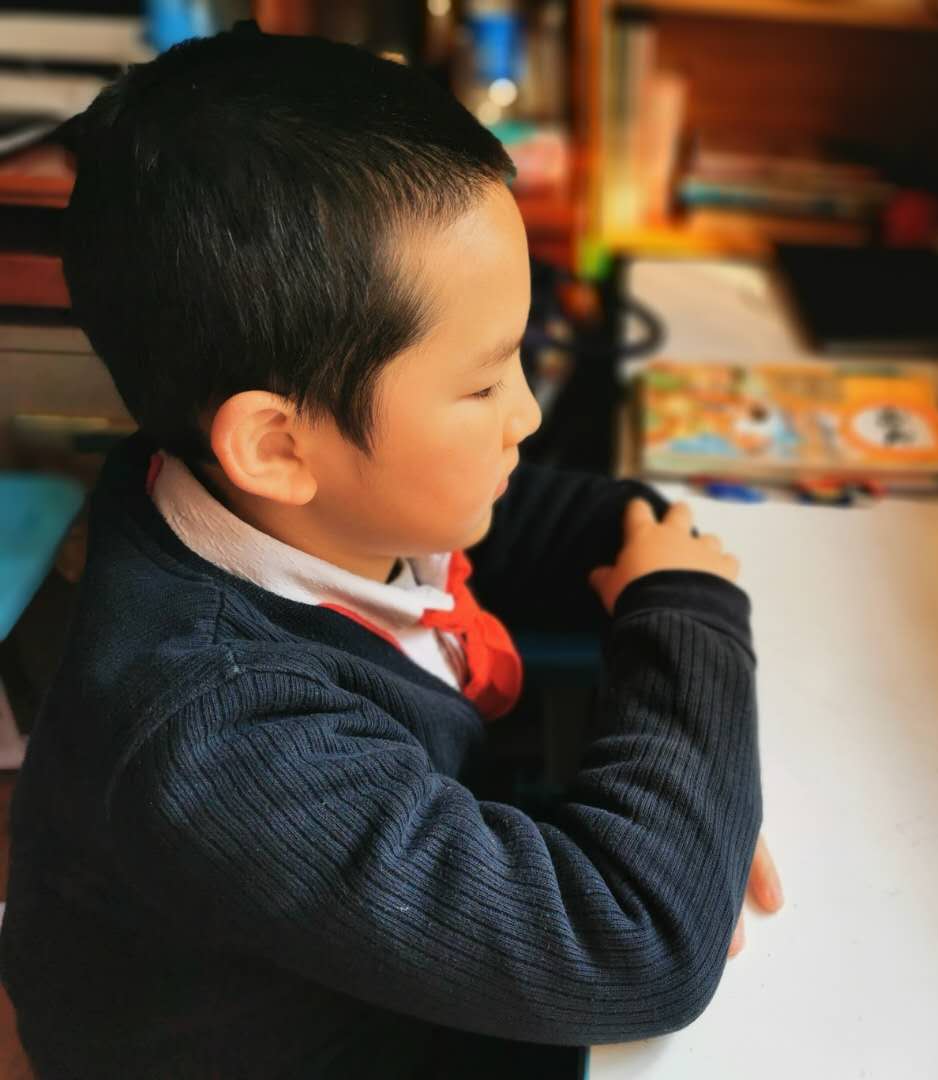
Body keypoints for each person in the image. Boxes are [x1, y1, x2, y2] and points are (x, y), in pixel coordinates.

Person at [0, 26, 780, 1078]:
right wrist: (689, 684)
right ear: (278, 445)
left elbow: (609, 526)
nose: (527, 416)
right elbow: (639, 948)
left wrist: (694, 804)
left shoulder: (273, 491)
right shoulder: (221, 738)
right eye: (483, 382)